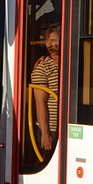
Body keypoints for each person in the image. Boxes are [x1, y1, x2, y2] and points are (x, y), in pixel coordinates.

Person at [30, 24, 60, 152]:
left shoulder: (71, 64)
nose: (49, 45)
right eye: (48, 41)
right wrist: (45, 133)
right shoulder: (42, 67)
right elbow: (40, 103)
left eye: (53, 41)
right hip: (52, 128)